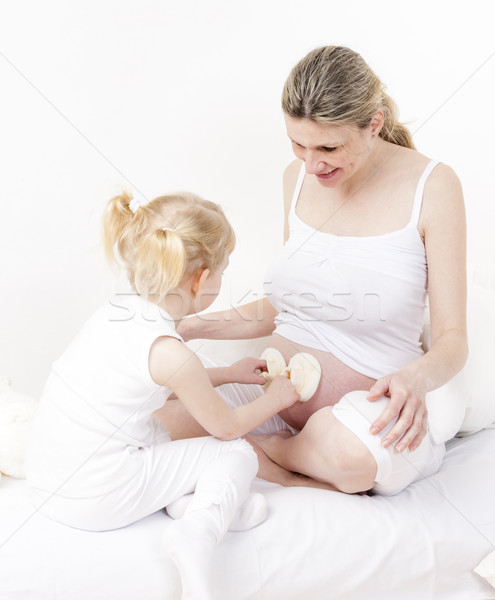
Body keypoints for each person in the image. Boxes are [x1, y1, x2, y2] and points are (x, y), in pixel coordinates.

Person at [160, 45, 468, 497]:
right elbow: (287, 305)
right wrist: (189, 327)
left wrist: (415, 378)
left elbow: (452, 339)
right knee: (160, 419)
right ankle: (277, 452)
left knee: (349, 456)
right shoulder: (299, 175)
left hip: (361, 417)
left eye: (328, 146)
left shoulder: (434, 186)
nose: (311, 163)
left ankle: (273, 452)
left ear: (374, 125)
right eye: (298, 144)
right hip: (275, 391)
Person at [24, 190, 302, 599]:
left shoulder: (115, 314)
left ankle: (187, 504)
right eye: (223, 270)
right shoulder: (173, 353)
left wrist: (227, 373)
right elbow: (225, 428)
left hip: (48, 481)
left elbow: (161, 387)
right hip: (94, 498)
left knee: (157, 435)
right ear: (201, 279)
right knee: (236, 453)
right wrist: (277, 397)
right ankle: (198, 531)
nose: (222, 280)